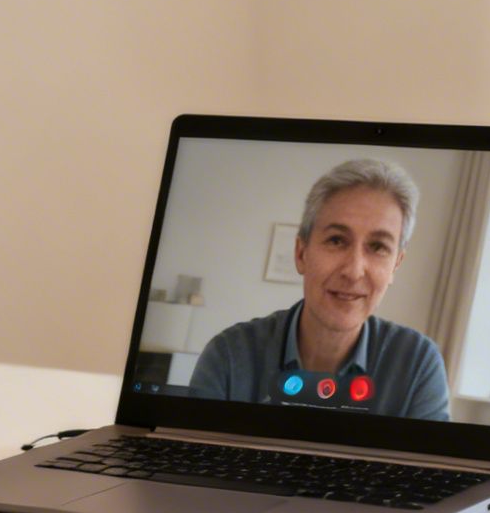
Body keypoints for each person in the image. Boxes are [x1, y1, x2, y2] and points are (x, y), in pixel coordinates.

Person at [188, 159, 452, 420]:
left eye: (378, 247)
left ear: (395, 265)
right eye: (337, 240)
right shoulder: (229, 356)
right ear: (301, 253)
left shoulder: (418, 365)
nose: (354, 270)